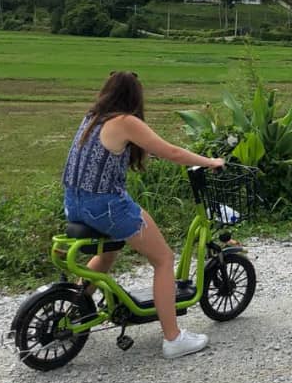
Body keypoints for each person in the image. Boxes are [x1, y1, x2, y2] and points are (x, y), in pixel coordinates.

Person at [62, 70, 225, 358]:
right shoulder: (125, 121)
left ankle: (78, 306)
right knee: (163, 259)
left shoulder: (92, 118)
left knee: (110, 250)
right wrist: (210, 161)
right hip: (105, 206)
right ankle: (173, 338)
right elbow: (172, 152)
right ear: (134, 97)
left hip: (74, 204)